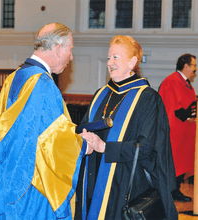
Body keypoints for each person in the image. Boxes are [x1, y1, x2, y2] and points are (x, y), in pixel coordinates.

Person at [0, 22, 97, 220]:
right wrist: (84, 144)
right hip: (35, 185)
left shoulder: (15, 77)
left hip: (12, 180)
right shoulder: (42, 84)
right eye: (70, 49)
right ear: (58, 47)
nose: (71, 57)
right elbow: (51, 140)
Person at [74, 35, 178, 220]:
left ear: (132, 62)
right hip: (93, 178)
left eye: (115, 57)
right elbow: (84, 128)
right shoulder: (101, 94)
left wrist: (105, 147)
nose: (109, 62)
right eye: (108, 57)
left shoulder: (147, 99)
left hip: (125, 184)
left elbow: (146, 148)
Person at [159, 53, 197, 202]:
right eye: (194, 65)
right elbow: (171, 106)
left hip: (185, 131)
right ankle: (170, 191)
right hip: (174, 131)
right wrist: (186, 115)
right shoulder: (172, 81)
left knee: (181, 162)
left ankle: (176, 189)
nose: (195, 68)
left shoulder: (185, 82)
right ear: (186, 66)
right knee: (174, 162)